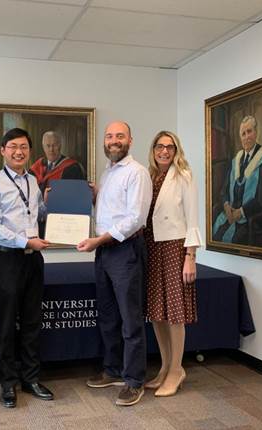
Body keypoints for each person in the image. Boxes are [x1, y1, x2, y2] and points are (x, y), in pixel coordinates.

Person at [77, 121, 152, 407]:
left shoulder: (137, 172)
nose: (114, 140)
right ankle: (113, 370)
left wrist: (98, 240)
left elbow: (135, 219)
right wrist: (95, 197)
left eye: (120, 136)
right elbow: (110, 211)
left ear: (130, 140)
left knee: (131, 319)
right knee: (108, 316)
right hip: (105, 252)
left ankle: (134, 380)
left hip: (125, 251)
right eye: (109, 136)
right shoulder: (108, 172)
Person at [0, 127, 54, 408]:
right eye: (13, 146)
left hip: (33, 259)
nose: (18, 152)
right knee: (7, 322)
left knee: (33, 320)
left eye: (23, 146)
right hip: (8, 259)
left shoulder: (33, 181)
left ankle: (30, 378)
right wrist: (25, 241)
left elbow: (36, 214)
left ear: (30, 151)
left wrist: (49, 204)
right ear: (3, 150)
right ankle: (8, 381)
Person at [143, 130, 203, 397]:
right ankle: (165, 367)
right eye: (160, 146)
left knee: (174, 314)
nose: (164, 151)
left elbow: (192, 220)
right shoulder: (149, 177)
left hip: (175, 249)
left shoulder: (184, 176)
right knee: (157, 313)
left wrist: (190, 257)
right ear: (153, 150)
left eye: (170, 147)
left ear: (176, 151)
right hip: (152, 248)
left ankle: (177, 370)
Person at [212, 115, 262, 247]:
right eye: (243, 134)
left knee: (234, 241)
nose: (246, 137)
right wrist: (226, 206)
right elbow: (224, 189)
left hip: (252, 219)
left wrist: (241, 212)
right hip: (231, 216)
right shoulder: (236, 160)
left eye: (249, 131)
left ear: (256, 132)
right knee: (216, 233)